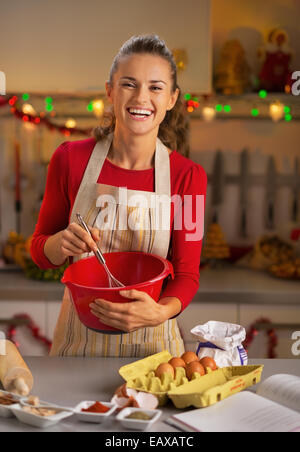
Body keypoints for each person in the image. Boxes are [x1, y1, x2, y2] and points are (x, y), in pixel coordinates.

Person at [30, 34, 207, 357]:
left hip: (154, 352)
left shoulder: (188, 177)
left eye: (155, 87)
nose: (141, 98)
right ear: (110, 90)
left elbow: (186, 275)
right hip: (76, 349)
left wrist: (161, 311)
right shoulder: (70, 159)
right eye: (129, 84)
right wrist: (61, 243)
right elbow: (41, 252)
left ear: (171, 98)